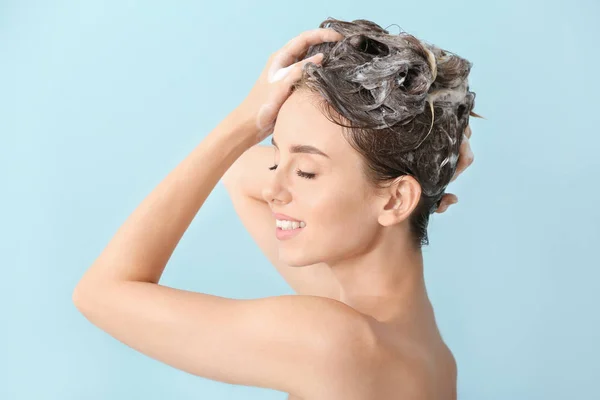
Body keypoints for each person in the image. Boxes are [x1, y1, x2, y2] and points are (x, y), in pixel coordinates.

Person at [73, 17, 480, 400]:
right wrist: (427, 168)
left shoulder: (332, 342)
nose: (273, 188)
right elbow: (241, 174)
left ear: (394, 200)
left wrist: (244, 123)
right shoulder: (424, 348)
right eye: (275, 155)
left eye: (304, 171)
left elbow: (98, 293)